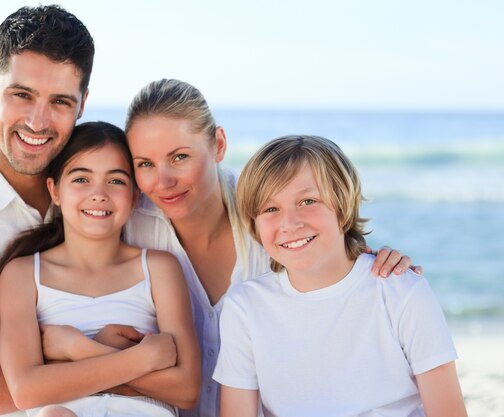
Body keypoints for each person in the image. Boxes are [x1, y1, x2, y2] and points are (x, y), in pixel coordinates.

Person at [112, 79, 416, 417]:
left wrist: (378, 265)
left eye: (180, 157)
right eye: (145, 164)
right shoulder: (127, 226)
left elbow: (334, 267)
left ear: (219, 144)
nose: (163, 181)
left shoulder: (272, 218)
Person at [213, 135, 467, 417]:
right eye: (271, 209)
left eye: (308, 201)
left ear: (343, 207)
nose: (290, 223)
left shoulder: (401, 291)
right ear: (254, 224)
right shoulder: (245, 307)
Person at [0, 122, 201, 417]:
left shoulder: (159, 269)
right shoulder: (22, 274)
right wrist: (144, 358)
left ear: (134, 196)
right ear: (55, 190)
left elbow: (186, 390)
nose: (99, 194)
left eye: (116, 181)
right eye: (81, 179)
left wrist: (76, 350)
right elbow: (27, 390)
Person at [0, 5, 95, 415]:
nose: (38, 123)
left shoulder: (102, 192)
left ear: (83, 104)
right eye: (22, 95)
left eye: (60, 101)